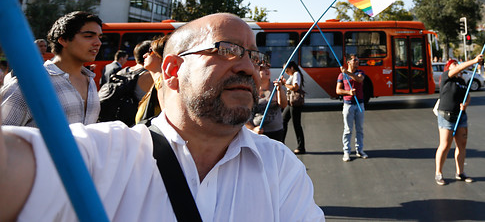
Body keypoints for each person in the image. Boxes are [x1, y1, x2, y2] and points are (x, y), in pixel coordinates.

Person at [0, 13, 324, 221]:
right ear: (172, 70)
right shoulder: (105, 154)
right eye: (227, 49)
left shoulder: (281, 168)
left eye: (254, 56)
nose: (248, 67)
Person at [1, 11, 102, 127]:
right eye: (89, 36)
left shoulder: (91, 81)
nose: (98, 43)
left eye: (100, 37)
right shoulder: (30, 83)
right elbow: (4, 135)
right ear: (63, 40)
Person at [434, 54, 483, 186]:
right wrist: (473, 61)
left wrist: (465, 104)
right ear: (448, 67)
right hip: (446, 116)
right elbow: (458, 68)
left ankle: (460, 172)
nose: (456, 66)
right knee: (445, 145)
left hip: (460, 116)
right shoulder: (446, 77)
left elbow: (467, 95)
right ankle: (438, 173)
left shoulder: (461, 81)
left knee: (462, 144)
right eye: (453, 64)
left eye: (457, 63)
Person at [337, 54, 367, 162]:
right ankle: (346, 152)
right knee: (348, 129)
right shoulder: (341, 76)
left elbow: (359, 80)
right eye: (355, 60)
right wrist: (348, 92)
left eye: (358, 60)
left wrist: (347, 73)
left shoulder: (360, 72)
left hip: (359, 104)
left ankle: (360, 150)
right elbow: (338, 90)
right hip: (348, 104)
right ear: (349, 62)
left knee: (360, 129)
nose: (357, 62)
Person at [246, 63, 287, 141]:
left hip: (276, 131)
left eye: (268, 68)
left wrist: (279, 90)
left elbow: (283, 105)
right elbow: (243, 115)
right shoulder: (250, 89)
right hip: (257, 132)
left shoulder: (275, 87)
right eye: (262, 69)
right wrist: (253, 129)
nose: (267, 70)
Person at [135, 35, 171, 124]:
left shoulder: (164, 84)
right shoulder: (158, 83)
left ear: (161, 56)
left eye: (150, 51)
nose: (144, 55)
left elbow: (169, 122)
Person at [282, 61, 306, 154]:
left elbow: (295, 87)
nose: (286, 72)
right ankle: (281, 142)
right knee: (283, 120)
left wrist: (285, 84)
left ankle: (301, 147)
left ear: (292, 68)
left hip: (294, 102)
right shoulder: (292, 75)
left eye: (286, 70)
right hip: (290, 102)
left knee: (296, 124)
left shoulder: (296, 74)